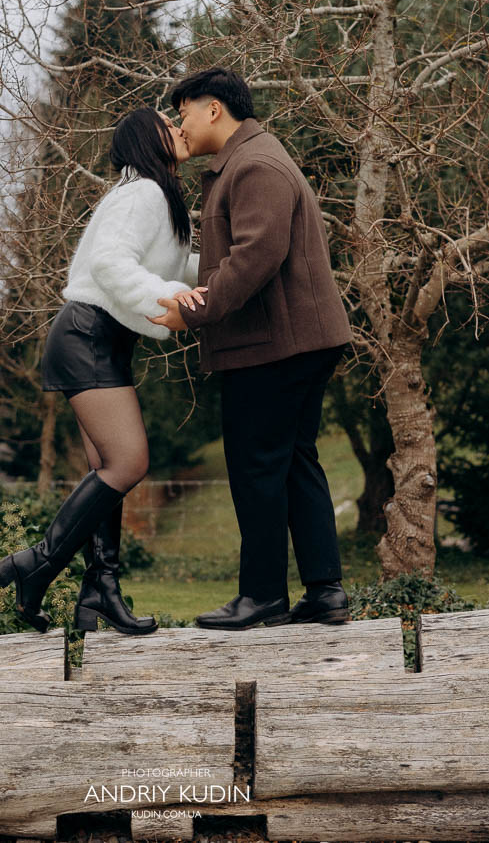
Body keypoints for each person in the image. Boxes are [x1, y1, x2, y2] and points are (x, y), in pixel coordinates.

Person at [149, 68, 352, 630]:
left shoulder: (255, 164)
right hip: (294, 342)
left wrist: (193, 311)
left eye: (183, 112)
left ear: (213, 109)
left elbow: (256, 255)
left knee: (256, 467)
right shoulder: (249, 160)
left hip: (276, 347)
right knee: (294, 463)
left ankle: (262, 596)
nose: (179, 126)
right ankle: (325, 592)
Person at [0, 107, 204, 636]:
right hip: (89, 335)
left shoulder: (152, 195)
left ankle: (98, 593)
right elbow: (111, 263)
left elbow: (172, 268)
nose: (178, 128)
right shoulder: (144, 193)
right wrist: (170, 300)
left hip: (98, 339)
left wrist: (224, 272)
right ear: (144, 140)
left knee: (106, 469)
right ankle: (35, 563)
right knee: (129, 463)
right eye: (167, 123)